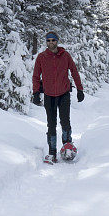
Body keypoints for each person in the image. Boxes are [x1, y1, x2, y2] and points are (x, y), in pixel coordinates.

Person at [32, 31, 84, 163]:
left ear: (57, 41)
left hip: (64, 94)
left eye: (53, 40)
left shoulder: (65, 56)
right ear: (46, 42)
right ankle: (52, 153)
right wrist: (36, 92)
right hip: (49, 96)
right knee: (51, 124)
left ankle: (67, 148)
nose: (51, 43)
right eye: (48, 40)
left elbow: (74, 71)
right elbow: (36, 76)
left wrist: (79, 89)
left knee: (65, 122)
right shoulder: (41, 57)